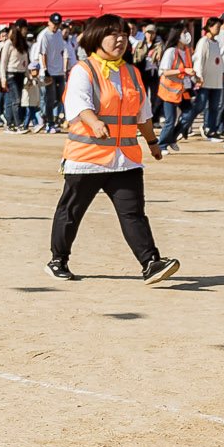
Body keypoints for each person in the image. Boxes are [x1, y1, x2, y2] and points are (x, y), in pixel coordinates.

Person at [46, 15, 180, 285]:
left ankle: (151, 263)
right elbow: (78, 104)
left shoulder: (132, 72)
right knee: (71, 211)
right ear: (97, 37)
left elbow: (143, 114)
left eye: (124, 34)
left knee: (133, 213)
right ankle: (58, 259)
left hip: (125, 159)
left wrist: (153, 144)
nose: (120, 39)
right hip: (88, 157)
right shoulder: (84, 70)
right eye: (113, 34)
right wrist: (94, 122)